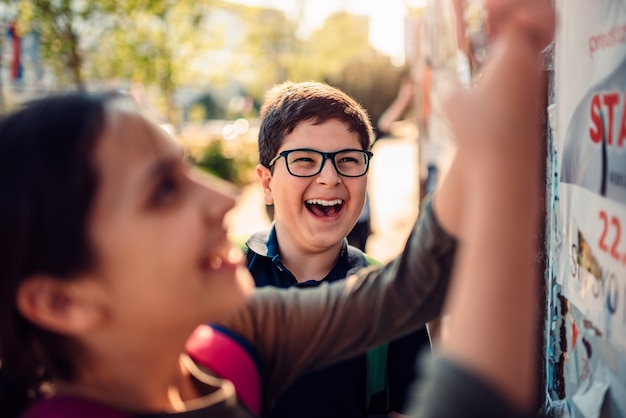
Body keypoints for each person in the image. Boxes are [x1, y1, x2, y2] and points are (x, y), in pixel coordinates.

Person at [0, 0, 554, 416]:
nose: (223, 197)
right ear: (60, 300)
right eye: (163, 190)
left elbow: (410, 288)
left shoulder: (231, 339)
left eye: (189, 168)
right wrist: (505, 168)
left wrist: (516, 45)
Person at [248, 80, 431, 417]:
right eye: (304, 159)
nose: (330, 177)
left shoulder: (395, 300)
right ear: (267, 183)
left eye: (347, 159)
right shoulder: (224, 289)